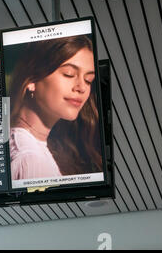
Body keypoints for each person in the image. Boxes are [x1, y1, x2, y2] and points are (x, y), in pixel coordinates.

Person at [9, 35, 103, 181]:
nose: (82, 87)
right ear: (32, 80)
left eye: (88, 80)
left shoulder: (33, 148)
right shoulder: (31, 158)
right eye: (69, 74)